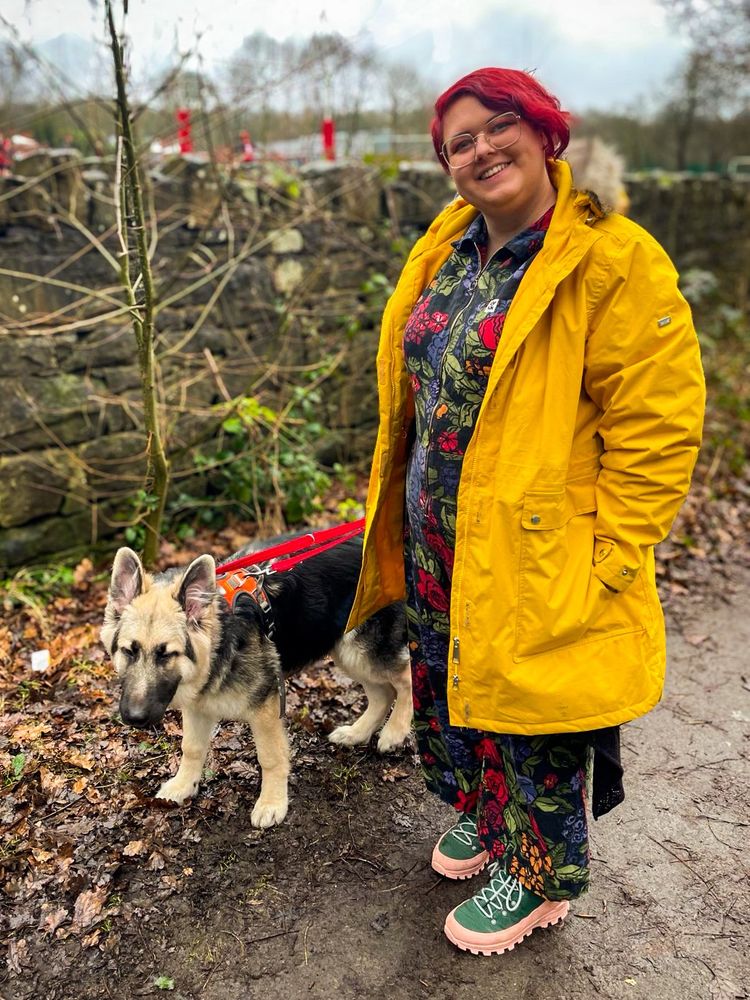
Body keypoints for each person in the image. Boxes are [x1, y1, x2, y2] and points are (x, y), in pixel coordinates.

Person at [345, 67, 705, 956]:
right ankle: (485, 810)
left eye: (498, 125)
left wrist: (613, 554)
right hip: (440, 537)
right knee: (456, 685)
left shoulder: (612, 259)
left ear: (545, 132)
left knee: (532, 713)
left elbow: (659, 424)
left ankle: (538, 875)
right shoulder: (449, 244)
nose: (480, 150)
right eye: (458, 143)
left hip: (542, 543)